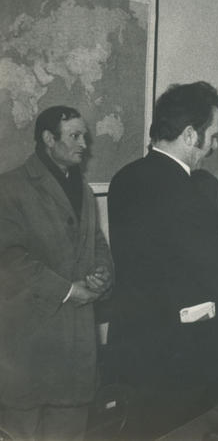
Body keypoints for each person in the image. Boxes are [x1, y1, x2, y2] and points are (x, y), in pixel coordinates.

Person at [107, 82, 218, 439]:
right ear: (190, 135)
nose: (215, 146)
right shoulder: (188, 194)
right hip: (180, 357)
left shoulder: (123, 179)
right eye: (213, 136)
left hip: (133, 345)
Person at [0, 106, 113, 440]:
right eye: (74, 136)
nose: (84, 145)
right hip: (29, 351)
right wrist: (68, 290)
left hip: (76, 353)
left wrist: (103, 273)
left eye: (84, 136)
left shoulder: (85, 191)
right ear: (49, 139)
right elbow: (9, 259)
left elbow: (97, 243)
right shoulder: (10, 187)